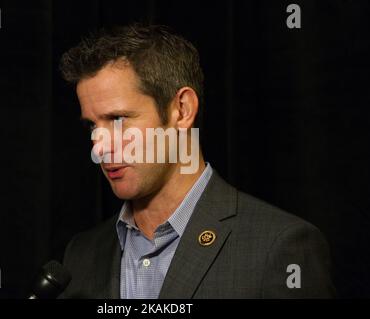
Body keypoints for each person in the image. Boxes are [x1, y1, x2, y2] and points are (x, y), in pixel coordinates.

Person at [57, 24, 335, 298]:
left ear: (182, 109)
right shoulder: (80, 256)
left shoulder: (279, 248)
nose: (100, 146)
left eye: (118, 119)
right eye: (92, 126)